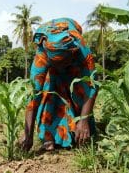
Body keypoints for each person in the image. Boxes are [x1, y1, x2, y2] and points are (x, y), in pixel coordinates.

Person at [20, 17, 98, 152]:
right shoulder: (42, 55)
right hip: (53, 63)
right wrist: (28, 134)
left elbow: (92, 86)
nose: (62, 67)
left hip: (74, 65)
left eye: (65, 63)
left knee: (79, 90)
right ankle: (49, 136)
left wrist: (84, 120)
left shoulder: (81, 50)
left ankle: (80, 131)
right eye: (58, 64)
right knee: (47, 91)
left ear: (72, 55)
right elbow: (34, 97)